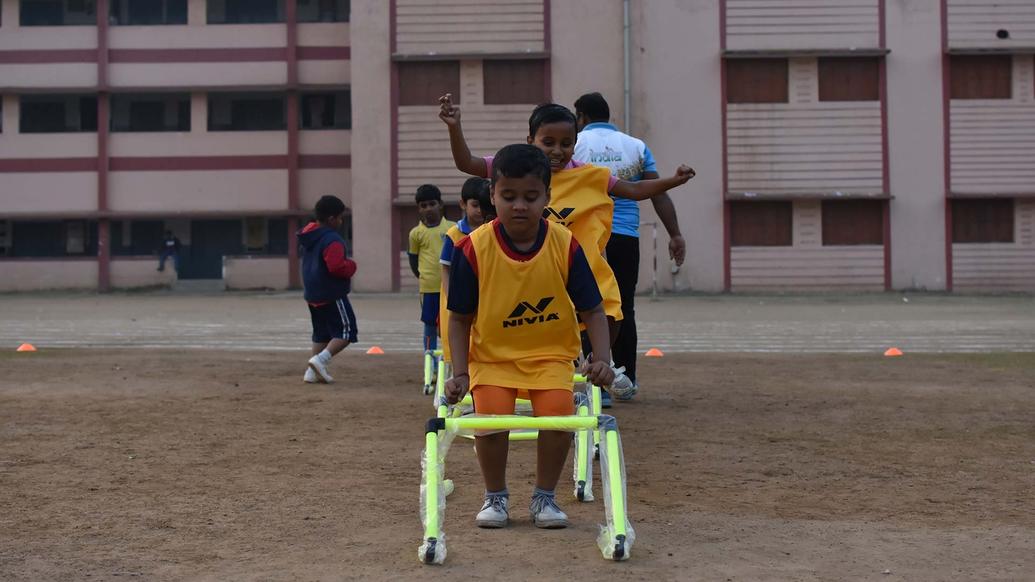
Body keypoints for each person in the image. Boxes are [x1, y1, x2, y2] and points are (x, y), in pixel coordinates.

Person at [439, 94, 694, 406]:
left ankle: (599, 362)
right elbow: (467, 163)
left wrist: (672, 181)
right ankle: (505, 370)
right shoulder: (513, 168)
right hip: (530, 269)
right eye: (548, 142)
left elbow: (634, 189)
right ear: (531, 140)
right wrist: (455, 127)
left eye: (566, 143)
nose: (557, 151)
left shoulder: (590, 176)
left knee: (610, 304)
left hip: (576, 265)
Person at [444, 144, 615, 529]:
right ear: (492, 195)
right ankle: (495, 497)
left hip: (550, 356)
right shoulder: (473, 248)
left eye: (530, 197)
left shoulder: (564, 244)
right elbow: (459, 318)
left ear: (548, 197)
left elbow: (592, 309)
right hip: (493, 358)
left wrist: (601, 358)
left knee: (557, 416)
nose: (519, 206)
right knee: (489, 418)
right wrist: (460, 372)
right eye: (508, 197)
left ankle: (544, 498)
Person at [573, 92, 687, 401]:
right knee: (622, 308)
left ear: (580, 117)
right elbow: (655, 193)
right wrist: (674, 234)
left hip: (585, 236)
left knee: (587, 307)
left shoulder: (574, 145)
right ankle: (626, 379)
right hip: (625, 236)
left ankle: (593, 382)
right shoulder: (636, 146)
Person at [297, 195, 358, 384]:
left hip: (312, 293)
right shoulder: (332, 239)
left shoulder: (308, 235)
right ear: (332, 219)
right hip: (331, 294)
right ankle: (320, 360)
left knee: (321, 333)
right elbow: (336, 266)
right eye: (340, 218)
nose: (341, 221)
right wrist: (351, 266)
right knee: (347, 332)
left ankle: (311, 372)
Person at [438, 177, 491, 365]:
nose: (479, 211)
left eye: (483, 206)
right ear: (463, 204)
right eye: (475, 205)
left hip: (486, 298)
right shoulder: (454, 235)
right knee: (461, 342)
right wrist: (451, 294)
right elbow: (445, 267)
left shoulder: (491, 230)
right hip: (462, 299)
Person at [408, 184, 456, 356]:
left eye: (432, 204)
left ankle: (450, 359)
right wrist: (423, 277)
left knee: (451, 323)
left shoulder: (452, 228)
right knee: (430, 325)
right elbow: (413, 261)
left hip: (450, 287)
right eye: (423, 205)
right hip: (428, 289)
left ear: (440, 204)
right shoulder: (415, 233)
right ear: (418, 209)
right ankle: (431, 364)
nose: (428, 208)